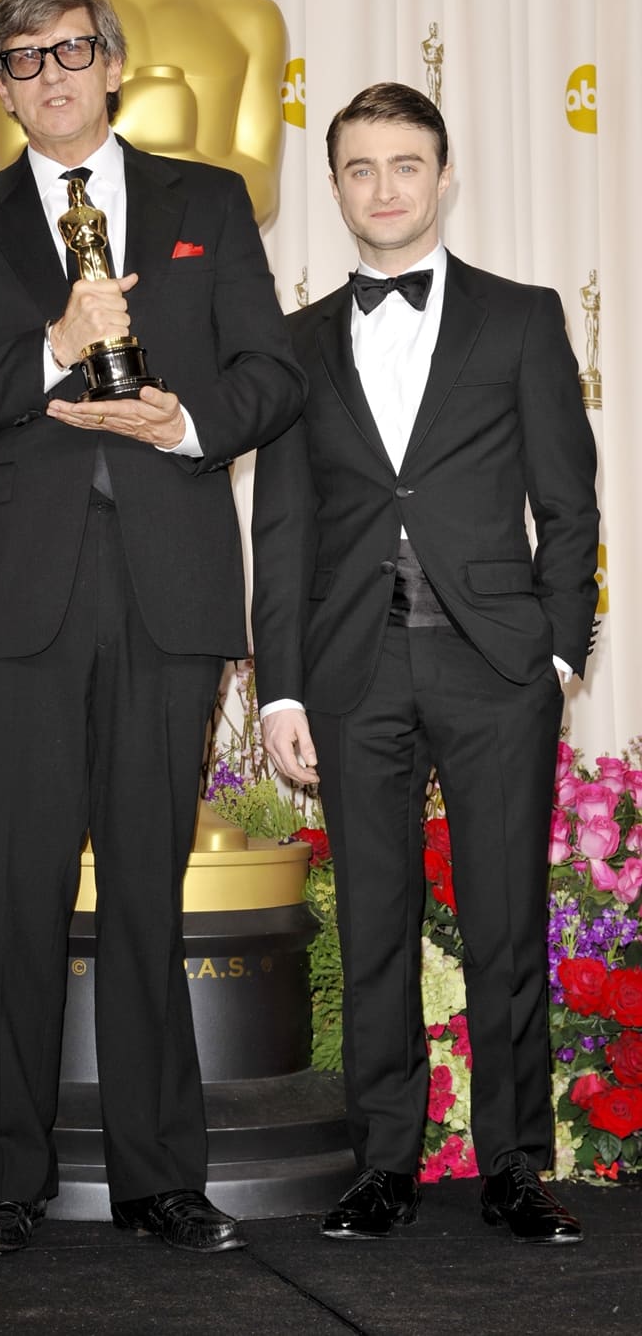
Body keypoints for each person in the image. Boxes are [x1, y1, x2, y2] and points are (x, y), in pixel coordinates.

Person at [0, 0, 305, 1255]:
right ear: (1, 85)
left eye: (73, 51)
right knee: (17, 895)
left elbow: (270, 378)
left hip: (170, 588)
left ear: (113, 63)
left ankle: (160, 1180)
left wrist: (179, 421)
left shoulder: (209, 200)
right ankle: (7, 1182)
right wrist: (50, 345)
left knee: (148, 891)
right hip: (17, 603)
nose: (53, 75)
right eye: (24, 61)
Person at [251, 83, 599, 1244]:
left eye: (407, 164)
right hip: (353, 671)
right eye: (360, 167)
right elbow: (286, 527)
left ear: (444, 178)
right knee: (376, 924)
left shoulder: (521, 317)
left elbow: (568, 501)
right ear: (337, 184)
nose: (385, 186)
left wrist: (555, 652)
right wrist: (283, 682)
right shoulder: (295, 343)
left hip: (496, 664)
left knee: (506, 922)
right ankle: (384, 1164)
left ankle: (514, 1165)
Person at [0, 0, 288, 225]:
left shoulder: (249, 18)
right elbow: (15, 175)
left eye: (72, 50)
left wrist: (175, 161)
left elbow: (261, 189)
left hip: (200, 268)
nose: (52, 73)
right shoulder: (15, 11)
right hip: (56, 268)